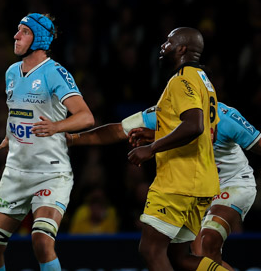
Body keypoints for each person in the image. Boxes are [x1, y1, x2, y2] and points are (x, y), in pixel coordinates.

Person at [68, 100, 258, 266]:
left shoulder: (225, 116)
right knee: (187, 259)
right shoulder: (162, 113)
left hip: (232, 184)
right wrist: (73, 139)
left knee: (207, 242)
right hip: (195, 190)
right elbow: (118, 130)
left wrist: (154, 141)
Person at [0, 14, 94, 271]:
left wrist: (56, 126)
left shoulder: (54, 73)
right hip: (16, 172)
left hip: (50, 173)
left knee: (41, 241)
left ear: (39, 38)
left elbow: (86, 116)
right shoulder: (11, 72)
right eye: (17, 30)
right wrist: (11, 135)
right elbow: (18, 110)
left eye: (23, 31)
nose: (16, 36)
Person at [122, 28, 226, 271]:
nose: (163, 45)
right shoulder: (205, 82)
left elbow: (194, 126)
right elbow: (212, 132)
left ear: (182, 49)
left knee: (150, 249)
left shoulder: (181, 80)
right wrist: (158, 132)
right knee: (178, 257)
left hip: (179, 181)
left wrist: (151, 148)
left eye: (169, 41)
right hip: (202, 182)